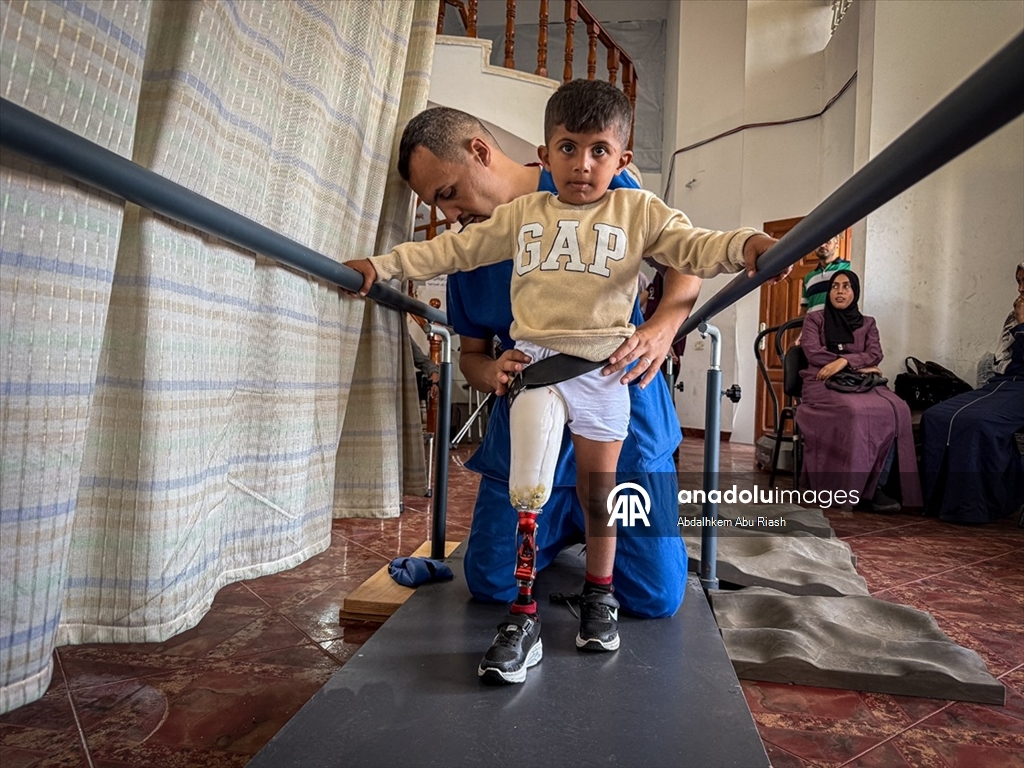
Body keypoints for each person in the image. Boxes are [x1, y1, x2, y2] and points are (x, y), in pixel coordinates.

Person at [346, 80, 778, 684]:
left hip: (611, 375)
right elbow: (468, 345)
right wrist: (387, 274)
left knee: (653, 596)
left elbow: (688, 254)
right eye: (568, 149)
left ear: (478, 150)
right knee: (492, 582)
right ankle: (547, 554)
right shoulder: (496, 232)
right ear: (548, 152)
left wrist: (663, 323)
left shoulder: (609, 187)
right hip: (535, 386)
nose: (447, 213)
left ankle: (593, 554)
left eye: (447, 192)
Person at [796, 270, 923, 512]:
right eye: (835, 287)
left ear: (855, 292)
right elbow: (812, 351)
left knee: (899, 408)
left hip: (860, 381)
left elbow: (875, 353)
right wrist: (858, 363)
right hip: (821, 382)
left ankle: (880, 485)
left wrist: (843, 362)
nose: (840, 291)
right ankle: (854, 489)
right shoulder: (814, 320)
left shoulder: (868, 323)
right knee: (854, 411)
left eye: (846, 286)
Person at [921, 262, 1024, 523]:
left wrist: (1023, 326)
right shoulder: (1014, 314)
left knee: (978, 422)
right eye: (1019, 282)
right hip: (1001, 383)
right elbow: (1003, 359)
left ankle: (973, 508)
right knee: (936, 416)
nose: (1021, 289)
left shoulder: (1020, 316)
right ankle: (937, 502)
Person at [801, 235, 850, 314]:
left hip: (840, 325)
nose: (822, 245)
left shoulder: (850, 268)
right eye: (818, 242)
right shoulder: (809, 277)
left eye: (827, 241)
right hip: (813, 325)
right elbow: (804, 310)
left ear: (836, 244)